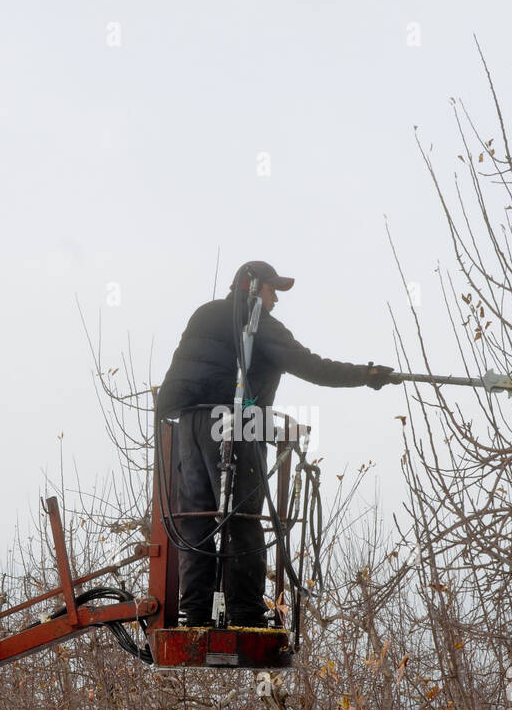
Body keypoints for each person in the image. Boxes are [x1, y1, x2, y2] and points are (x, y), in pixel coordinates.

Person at [156, 261, 399, 628]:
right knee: (244, 518)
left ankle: (196, 610)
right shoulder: (258, 324)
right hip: (237, 424)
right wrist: (364, 376)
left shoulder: (204, 315)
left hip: (189, 425)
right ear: (252, 286)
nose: (275, 300)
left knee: (197, 520)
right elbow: (312, 366)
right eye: (272, 291)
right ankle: (245, 611)